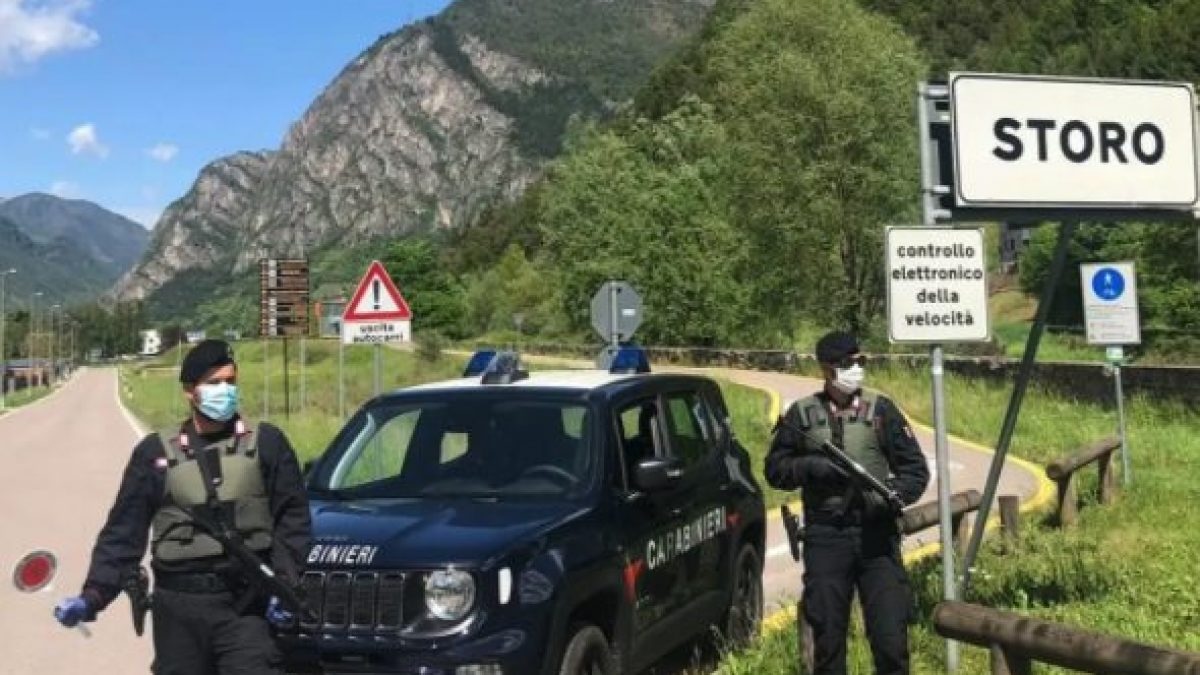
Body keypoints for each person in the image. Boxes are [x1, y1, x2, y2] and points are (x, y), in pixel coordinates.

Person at [53, 339, 311, 675]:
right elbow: (123, 533)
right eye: (214, 384)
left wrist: (285, 583)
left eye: (230, 383)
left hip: (246, 607)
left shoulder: (266, 443)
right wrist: (93, 596)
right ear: (190, 391)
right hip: (178, 612)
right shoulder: (154, 453)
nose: (225, 391)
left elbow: (293, 519)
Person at [765, 331, 929, 675]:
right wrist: (810, 468)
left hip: (877, 538)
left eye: (859, 361)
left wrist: (890, 497)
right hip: (826, 538)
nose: (856, 369)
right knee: (828, 641)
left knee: (891, 641)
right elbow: (775, 470)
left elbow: (915, 471)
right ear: (826, 369)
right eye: (847, 364)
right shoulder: (802, 415)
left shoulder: (882, 411)